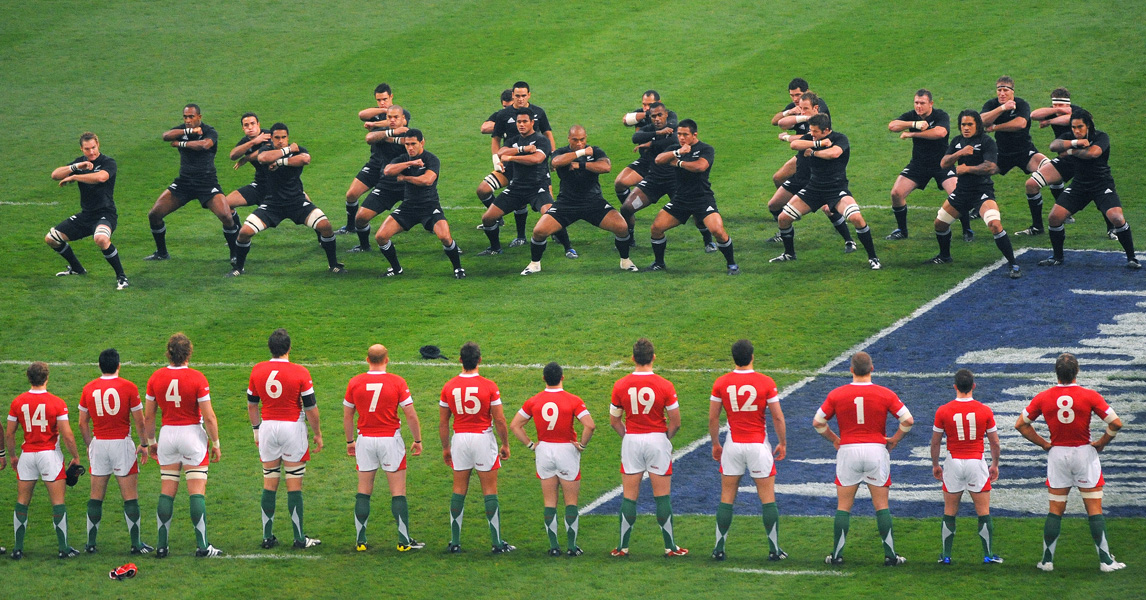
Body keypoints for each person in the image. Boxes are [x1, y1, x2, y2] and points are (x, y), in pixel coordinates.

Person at [1015, 353, 1125, 572]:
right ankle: (1105, 561)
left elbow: (1021, 424)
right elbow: (1116, 423)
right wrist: (1102, 442)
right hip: (1084, 453)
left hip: (1058, 455)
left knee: (1055, 508)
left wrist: (1044, 444)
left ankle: (1047, 561)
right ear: (1077, 371)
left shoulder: (1044, 397)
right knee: (1093, 507)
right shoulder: (1089, 395)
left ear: (1056, 372)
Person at [812, 351, 912, 566]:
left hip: (848, 450)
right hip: (876, 450)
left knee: (843, 506)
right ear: (872, 369)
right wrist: (895, 439)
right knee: (881, 506)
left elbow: (818, 422)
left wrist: (834, 439)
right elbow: (908, 420)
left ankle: (837, 555)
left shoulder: (837, 394)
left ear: (851, 370)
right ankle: (891, 555)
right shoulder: (885, 393)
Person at [229, 123, 345, 276]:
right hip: (272, 205)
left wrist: (280, 161)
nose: (281, 140)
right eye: (277, 138)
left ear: (288, 137)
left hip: (297, 202)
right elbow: (263, 158)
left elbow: (305, 159)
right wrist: (288, 150)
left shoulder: (299, 150)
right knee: (244, 232)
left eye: (284, 137)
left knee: (326, 226)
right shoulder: (268, 150)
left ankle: (333, 265)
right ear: (271, 139)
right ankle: (238, 268)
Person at [143, 333, 222, 558]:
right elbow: (209, 417)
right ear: (189, 353)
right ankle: (203, 546)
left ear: (168, 353)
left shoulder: (155, 378)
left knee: (167, 491)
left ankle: (161, 545)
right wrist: (215, 443)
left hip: (167, 435)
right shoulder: (197, 378)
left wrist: (151, 443)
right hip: (191, 435)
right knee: (196, 492)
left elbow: (149, 417)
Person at [708, 339, 787, 561]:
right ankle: (774, 549)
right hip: (758, 445)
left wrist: (715, 443)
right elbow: (777, 416)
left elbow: (714, 417)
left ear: (734, 358)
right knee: (767, 498)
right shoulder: (765, 382)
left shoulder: (721, 383)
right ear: (752, 356)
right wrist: (783, 442)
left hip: (733, 445)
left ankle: (719, 548)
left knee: (727, 497)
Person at [520, 125, 637, 275]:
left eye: (582, 140)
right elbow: (556, 163)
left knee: (621, 227)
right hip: (566, 203)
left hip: (593, 202)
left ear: (586, 138)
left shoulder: (595, 151)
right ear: (569, 139)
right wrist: (580, 153)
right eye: (575, 140)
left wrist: (580, 164)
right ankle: (535, 264)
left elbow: (606, 167)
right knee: (539, 231)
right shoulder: (561, 151)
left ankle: (625, 261)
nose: (579, 143)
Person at [771, 114, 881, 270]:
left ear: (827, 130)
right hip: (813, 188)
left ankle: (873, 257)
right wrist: (819, 142)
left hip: (836, 189)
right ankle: (789, 254)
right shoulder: (813, 138)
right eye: (811, 130)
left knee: (856, 218)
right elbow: (794, 145)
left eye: (815, 131)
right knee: (783, 218)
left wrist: (814, 152)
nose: (812, 133)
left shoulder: (840, 139)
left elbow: (833, 154)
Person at [246, 328, 323, 550]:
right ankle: (299, 538)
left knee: (269, 482)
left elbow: (252, 404)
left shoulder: (258, 370)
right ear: (289, 348)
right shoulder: (300, 372)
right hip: (292, 428)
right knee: (294, 484)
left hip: (268, 428)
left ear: (270, 348)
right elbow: (311, 408)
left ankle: (267, 536)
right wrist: (317, 433)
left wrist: (256, 430)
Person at [608, 338, 686, 557]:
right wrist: (665, 439)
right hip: (657, 441)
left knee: (629, 496)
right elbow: (676, 421)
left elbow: (614, 421)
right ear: (653, 357)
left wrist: (629, 436)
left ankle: (622, 547)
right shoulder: (665, 385)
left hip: (632, 440)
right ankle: (670, 547)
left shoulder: (620, 385)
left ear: (633, 358)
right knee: (662, 496)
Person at [343, 344, 425, 552]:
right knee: (398, 491)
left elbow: (348, 415)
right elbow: (410, 414)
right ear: (386, 359)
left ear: (367, 359)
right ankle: (403, 541)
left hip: (365, 440)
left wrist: (349, 441)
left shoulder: (355, 382)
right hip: (390, 440)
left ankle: (360, 541)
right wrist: (418, 439)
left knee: (363, 490)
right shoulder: (397, 382)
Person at [509, 362, 595, 556]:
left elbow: (515, 425)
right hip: (566, 450)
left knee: (549, 501)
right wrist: (582, 445)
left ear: (543, 379)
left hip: (544, 450)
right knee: (570, 501)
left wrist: (531, 445)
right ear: (562, 377)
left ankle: (554, 547)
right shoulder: (573, 400)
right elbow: (590, 425)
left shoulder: (534, 401)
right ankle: (572, 547)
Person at [1038, 109, 1140, 269]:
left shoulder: (1101, 137)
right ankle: (1057, 257)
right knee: (1054, 217)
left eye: (1080, 127)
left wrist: (1070, 151)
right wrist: (1074, 143)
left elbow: (1093, 153)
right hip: (1079, 185)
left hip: (1102, 184)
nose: (1076, 131)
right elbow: (1053, 146)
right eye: (1073, 127)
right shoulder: (1070, 138)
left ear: (1089, 126)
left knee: (1117, 218)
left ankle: (1132, 258)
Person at [439, 342, 515, 553]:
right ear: (479, 360)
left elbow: (444, 422)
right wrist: (505, 444)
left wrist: (446, 448)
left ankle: (455, 543)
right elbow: (499, 420)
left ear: (460, 360)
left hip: (460, 439)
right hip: (482, 438)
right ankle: (497, 543)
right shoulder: (489, 386)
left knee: (458, 489)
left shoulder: (449, 386)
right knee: (489, 491)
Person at [929, 110, 1022, 279]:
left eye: (970, 124)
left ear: (977, 125)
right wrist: (960, 153)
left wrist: (967, 169)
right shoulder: (957, 142)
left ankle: (1013, 263)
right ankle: (944, 256)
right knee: (940, 224)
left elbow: (990, 167)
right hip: (962, 192)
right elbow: (943, 163)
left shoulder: (986, 141)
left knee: (994, 224)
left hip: (982, 191)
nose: (966, 128)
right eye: (963, 124)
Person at [78, 348, 152, 554]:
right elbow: (139, 421)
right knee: (130, 497)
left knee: (95, 496)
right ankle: (136, 544)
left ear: (99, 366)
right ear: (119, 365)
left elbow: (82, 423)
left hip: (99, 443)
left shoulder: (89, 388)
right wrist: (144, 444)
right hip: (122, 444)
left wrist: (89, 445)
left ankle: (91, 544)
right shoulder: (128, 387)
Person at [5, 361, 82, 559]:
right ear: (46, 378)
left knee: (22, 502)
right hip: (49, 456)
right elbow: (67, 435)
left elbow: (10, 433)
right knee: (58, 502)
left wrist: (13, 456)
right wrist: (75, 456)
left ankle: (18, 548)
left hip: (27, 455)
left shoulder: (17, 402)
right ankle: (63, 548)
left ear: (28, 378)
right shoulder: (57, 402)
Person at [145, 104, 238, 262]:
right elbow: (165, 136)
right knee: (154, 214)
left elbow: (204, 145)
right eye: (185, 117)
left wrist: (180, 143)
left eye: (191, 117)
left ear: (199, 117)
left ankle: (235, 255)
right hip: (184, 183)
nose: (188, 120)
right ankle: (162, 253)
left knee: (226, 216)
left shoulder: (210, 131)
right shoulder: (183, 130)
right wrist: (188, 131)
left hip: (207, 183)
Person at [929, 369, 1002, 565]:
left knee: (950, 509)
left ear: (955, 387)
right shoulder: (984, 410)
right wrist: (994, 464)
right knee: (983, 511)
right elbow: (994, 442)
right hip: (976, 462)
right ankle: (988, 555)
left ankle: (945, 555)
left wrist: (936, 464)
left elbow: (935, 442)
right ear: (973, 386)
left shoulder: (943, 410)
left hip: (953, 462)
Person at [477, 109, 573, 257]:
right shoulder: (514, 141)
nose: (521, 125)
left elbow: (536, 159)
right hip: (516, 188)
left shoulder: (542, 140)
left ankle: (568, 248)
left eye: (524, 122)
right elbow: (501, 153)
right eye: (518, 122)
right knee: (487, 218)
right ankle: (495, 248)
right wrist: (522, 149)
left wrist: (512, 157)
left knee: (552, 215)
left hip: (537, 187)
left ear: (532, 123)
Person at [649, 119, 739, 274]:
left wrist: (678, 163)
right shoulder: (675, 148)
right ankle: (659, 263)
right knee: (656, 228)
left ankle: (732, 265)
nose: (681, 138)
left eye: (685, 134)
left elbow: (700, 166)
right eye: (679, 134)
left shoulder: (706, 149)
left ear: (694, 135)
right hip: (680, 199)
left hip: (702, 198)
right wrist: (677, 153)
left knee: (718, 231)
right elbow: (658, 160)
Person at [619, 103, 713, 251]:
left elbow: (673, 142)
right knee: (626, 208)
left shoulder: (677, 131)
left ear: (666, 115)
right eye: (653, 116)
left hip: (675, 182)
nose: (656, 119)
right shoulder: (651, 130)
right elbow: (635, 137)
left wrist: (650, 143)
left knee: (697, 213)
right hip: (654, 180)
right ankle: (629, 239)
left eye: (659, 115)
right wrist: (657, 135)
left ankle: (708, 241)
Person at [768, 93, 855, 251]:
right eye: (800, 108)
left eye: (805, 108)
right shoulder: (805, 119)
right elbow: (780, 122)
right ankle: (784, 233)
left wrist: (791, 138)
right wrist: (801, 117)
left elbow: (809, 140)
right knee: (774, 204)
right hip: (800, 173)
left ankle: (849, 240)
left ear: (816, 108)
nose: (801, 111)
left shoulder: (821, 126)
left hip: (816, 178)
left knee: (829, 210)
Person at [375, 129, 466, 279]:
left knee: (445, 237)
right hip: (408, 208)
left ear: (422, 142)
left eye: (413, 144)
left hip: (429, 207)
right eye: (407, 144)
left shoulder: (431, 159)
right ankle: (396, 269)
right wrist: (410, 163)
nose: (410, 148)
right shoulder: (404, 159)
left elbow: (427, 180)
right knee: (381, 236)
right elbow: (388, 171)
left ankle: (458, 268)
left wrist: (404, 178)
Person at [885, 90, 973, 242]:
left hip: (942, 164)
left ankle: (967, 230)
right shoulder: (912, 116)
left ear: (931, 104)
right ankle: (902, 230)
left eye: (922, 103)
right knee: (896, 193)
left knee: (958, 193)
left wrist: (912, 133)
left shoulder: (941, 115)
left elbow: (939, 133)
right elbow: (892, 126)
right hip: (919, 164)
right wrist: (914, 124)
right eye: (916, 103)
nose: (918, 106)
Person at [477, 82, 557, 245]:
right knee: (483, 190)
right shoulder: (503, 115)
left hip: (534, 167)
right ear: (512, 95)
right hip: (510, 164)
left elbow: (548, 133)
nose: (520, 99)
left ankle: (555, 232)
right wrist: (496, 160)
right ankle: (498, 219)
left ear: (529, 95)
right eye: (517, 96)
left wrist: (553, 156)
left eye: (523, 96)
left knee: (548, 205)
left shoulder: (538, 113)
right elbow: (496, 138)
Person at [46, 132, 129, 289]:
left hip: (106, 214)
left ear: (98, 144)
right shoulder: (81, 163)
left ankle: (122, 277)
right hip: (86, 216)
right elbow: (55, 175)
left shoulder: (108, 162)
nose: (91, 152)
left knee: (101, 239)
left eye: (93, 147)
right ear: (81, 149)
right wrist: (76, 167)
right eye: (87, 149)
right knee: (51, 238)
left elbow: (101, 178)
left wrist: (75, 177)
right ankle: (77, 269)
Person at [980, 77, 1052, 236]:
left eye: (1005, 90)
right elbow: (981, 121)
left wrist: (996, 127)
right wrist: (1001, 108)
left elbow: (1020, 124)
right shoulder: (992, 105)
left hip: (1024, 151)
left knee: (1051, 169)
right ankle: (977, 205)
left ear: (1013, 91)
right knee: (978, 171)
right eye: (999, 90)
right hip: (1002, 153)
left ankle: (1047, 221)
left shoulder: (1022, 104)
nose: (1002, 93)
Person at [337, 83, 409, 236]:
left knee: (417, 199)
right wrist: (383, 110)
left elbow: (400, 124)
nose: (382, 102)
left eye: (385, 99)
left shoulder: (401, 113)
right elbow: (362, 115)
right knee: (351, 194)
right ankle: (351, 227)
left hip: (393, 167)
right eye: (379, 100)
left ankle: (430, 220)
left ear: (391, 96)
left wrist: (376, 124)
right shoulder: (378, 112)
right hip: (375, 163)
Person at [350, 105, 411, 252]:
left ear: (404, 119)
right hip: (386, 185)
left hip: (408, 184)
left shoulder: (410, 133)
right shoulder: (384, 132)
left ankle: (449, 243)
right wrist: (391, 132)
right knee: (360, 218)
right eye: (390, 117)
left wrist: (392, 138)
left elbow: (410, 143)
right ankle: (364, 247)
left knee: (432, 220)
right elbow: (369, 137)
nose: (392, 120)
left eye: (396, 117)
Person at [614, 90, 676, 206]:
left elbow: (672, 134)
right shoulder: (642, 114)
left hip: (667, 165)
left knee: (686, 202)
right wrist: (648, 115)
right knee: (620, 182)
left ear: (659, 102)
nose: (646, 107)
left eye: (650, 104)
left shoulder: (670, 115)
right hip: (647, 160)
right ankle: (629, 211)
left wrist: (651, 143)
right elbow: (626, 122)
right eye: (644, 104)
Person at [225, 112, 272, 221]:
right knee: (225, 204)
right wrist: (253, 142)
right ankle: (235, 233)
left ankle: (320, 232)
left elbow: (265, 152)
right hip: (260, 185)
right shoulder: (246, 141)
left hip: (279, 185)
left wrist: (246, 158)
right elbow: (233, 155)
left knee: (306, 206)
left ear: (258, 124)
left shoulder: (269, 135)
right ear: (243, 128)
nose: (250, 127)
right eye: (246, 125)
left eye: (253, 124)